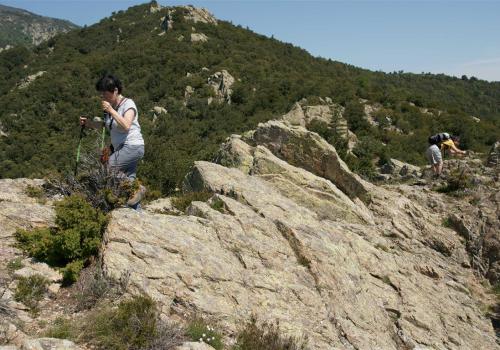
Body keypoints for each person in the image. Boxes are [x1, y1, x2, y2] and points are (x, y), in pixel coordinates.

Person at [79, 74, 146, 209]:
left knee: (107, 168)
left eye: (105, 93)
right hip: (121, 149)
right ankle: (136, 215)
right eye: (101, 93)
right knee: (129, 184)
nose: (103, 96)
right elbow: (106, 125)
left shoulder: (128, 104)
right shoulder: (111, 108)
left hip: (132, 146)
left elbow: (126, 125)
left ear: (115, 90)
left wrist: (110, 110)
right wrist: (88, 124)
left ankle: (138, 188)